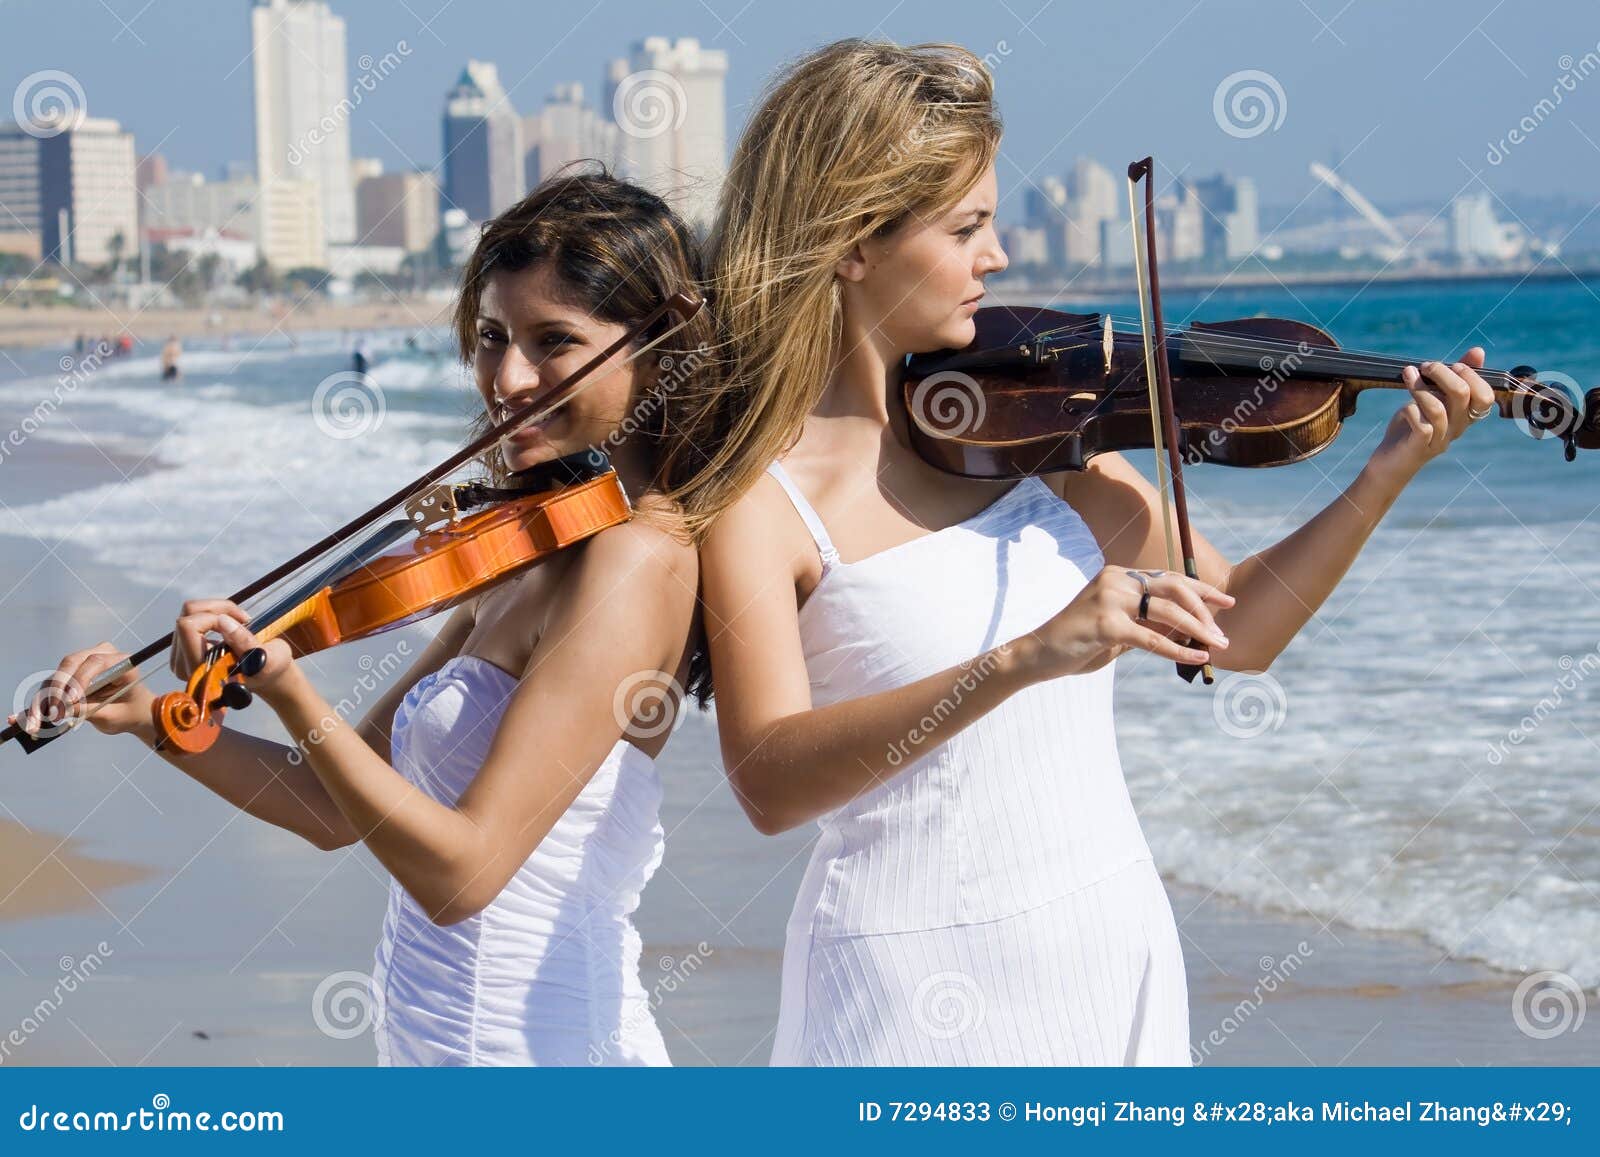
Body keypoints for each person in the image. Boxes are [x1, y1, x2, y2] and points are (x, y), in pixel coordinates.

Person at [664, 39, 1499, 1066]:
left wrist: (1387, 468)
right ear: (851, 243)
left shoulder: (1034, 438)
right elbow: (768, 779)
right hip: (906, 988)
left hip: (1107, 945)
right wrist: (1025, 655)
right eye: (965, 227)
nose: (997, 257)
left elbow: (1236, 625)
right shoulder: (766, 496)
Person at [13, 171, 715, 1067]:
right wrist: (152, 717)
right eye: (493, 336)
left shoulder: (637, 558)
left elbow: (465, 875)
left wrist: (292, 690)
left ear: (658, 349)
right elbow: (327, 808)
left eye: (555, 342)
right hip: (433, 1051)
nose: (507, 377)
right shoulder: (531, 549)